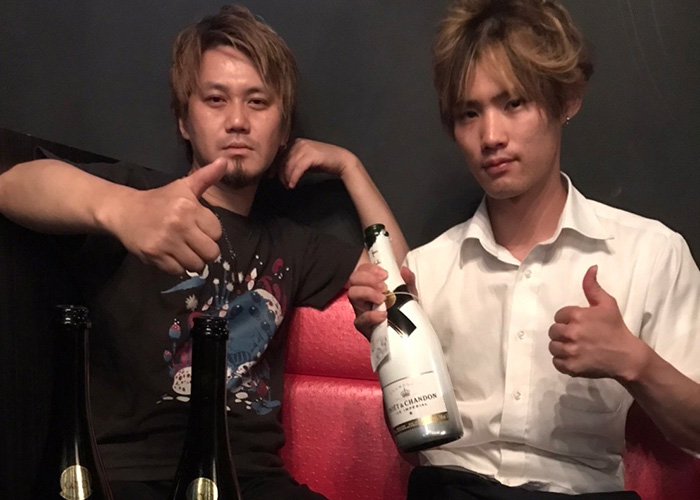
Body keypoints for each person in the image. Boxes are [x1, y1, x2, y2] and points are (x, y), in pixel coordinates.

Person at [0, 5, 407, 500]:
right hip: (132, 477)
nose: (237, 121)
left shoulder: (291, 243)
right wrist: (120, 209)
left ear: (283, 130)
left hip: (250, 478)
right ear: (183, 121)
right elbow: (11, 185)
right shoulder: (138, 193)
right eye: (216, 100)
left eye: (258, 102)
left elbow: (399, 280)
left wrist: (349, 167)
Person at [348, 0, 700, 498]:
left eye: (513, 103)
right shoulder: (426, 269)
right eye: (469, 113)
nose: (491, 136)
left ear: (566, 100)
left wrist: (635, 363)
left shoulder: (650, 254)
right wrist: (390, 352)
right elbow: (413, 447)